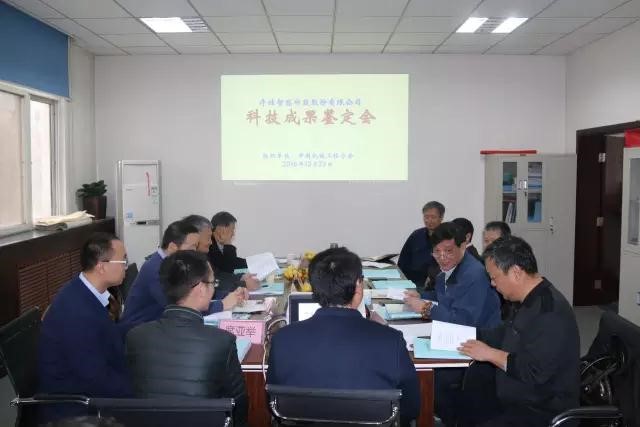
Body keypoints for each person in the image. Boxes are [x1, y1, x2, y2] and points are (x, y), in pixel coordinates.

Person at [267, 247, 420, 425]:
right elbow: (411, 408)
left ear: (313, 289)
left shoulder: (283, 339)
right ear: (358, 286)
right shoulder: (391, 340)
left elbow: (273, 403)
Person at [458, 236, 580, 427]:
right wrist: (468, 335)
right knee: (465, 393)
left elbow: (535, 372)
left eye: (494, 277)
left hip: (540, 409)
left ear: (516, 272)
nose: (493, 284)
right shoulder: (527, 299)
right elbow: (506, 333)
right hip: (517, 395)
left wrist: (490, 354)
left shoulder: (549, 312)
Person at [126, 251, 248, 425]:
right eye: (213, 283)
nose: (214, 288)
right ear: (201, 289)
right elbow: (238, 404)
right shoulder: (221, 341)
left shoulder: (135, 336)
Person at [403, 222, 501, 426]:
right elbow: (445, 297)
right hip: (456, 339)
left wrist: (426, 308)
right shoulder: (449, 270)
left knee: (426, 379)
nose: (442, 257)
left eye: (448, 251)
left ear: (462, 246)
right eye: (436, 252)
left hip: (477, 348)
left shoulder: (474, 275)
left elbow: (462, 322)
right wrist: (421, 295)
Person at [38, 233, 132, 422]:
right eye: (123, 261)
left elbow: (109, 336)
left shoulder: (87, 291)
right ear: (101, 267)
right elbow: (96, 379)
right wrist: (138, 391)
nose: (126, 267)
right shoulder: (77, 313)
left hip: (93, 384)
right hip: (76, 406)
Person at [121, 220, 246, 332]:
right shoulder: (156, 269)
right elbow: (181, 309)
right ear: (172, 247)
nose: (195, 251)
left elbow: (197, 289)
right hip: (141, 333)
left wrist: (231, 294)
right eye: (192, 247)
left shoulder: (174, 264)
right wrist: (222, 304)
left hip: (161, 327)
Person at [183, 214, 259, 294]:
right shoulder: (187, 260)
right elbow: (223, 272)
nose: (210, 242)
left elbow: (217, 274)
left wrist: (240, 277)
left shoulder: (199, 255)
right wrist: (242, 284)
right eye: (232, 229)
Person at [397, 201, 445, 287]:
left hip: (430, 284)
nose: (429, 220)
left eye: (433, 217)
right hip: (408, 281)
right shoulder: (416, 234)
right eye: (426, 217)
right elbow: (403, 260)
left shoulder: (446, 238)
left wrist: (432, 277)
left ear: (441, 218)